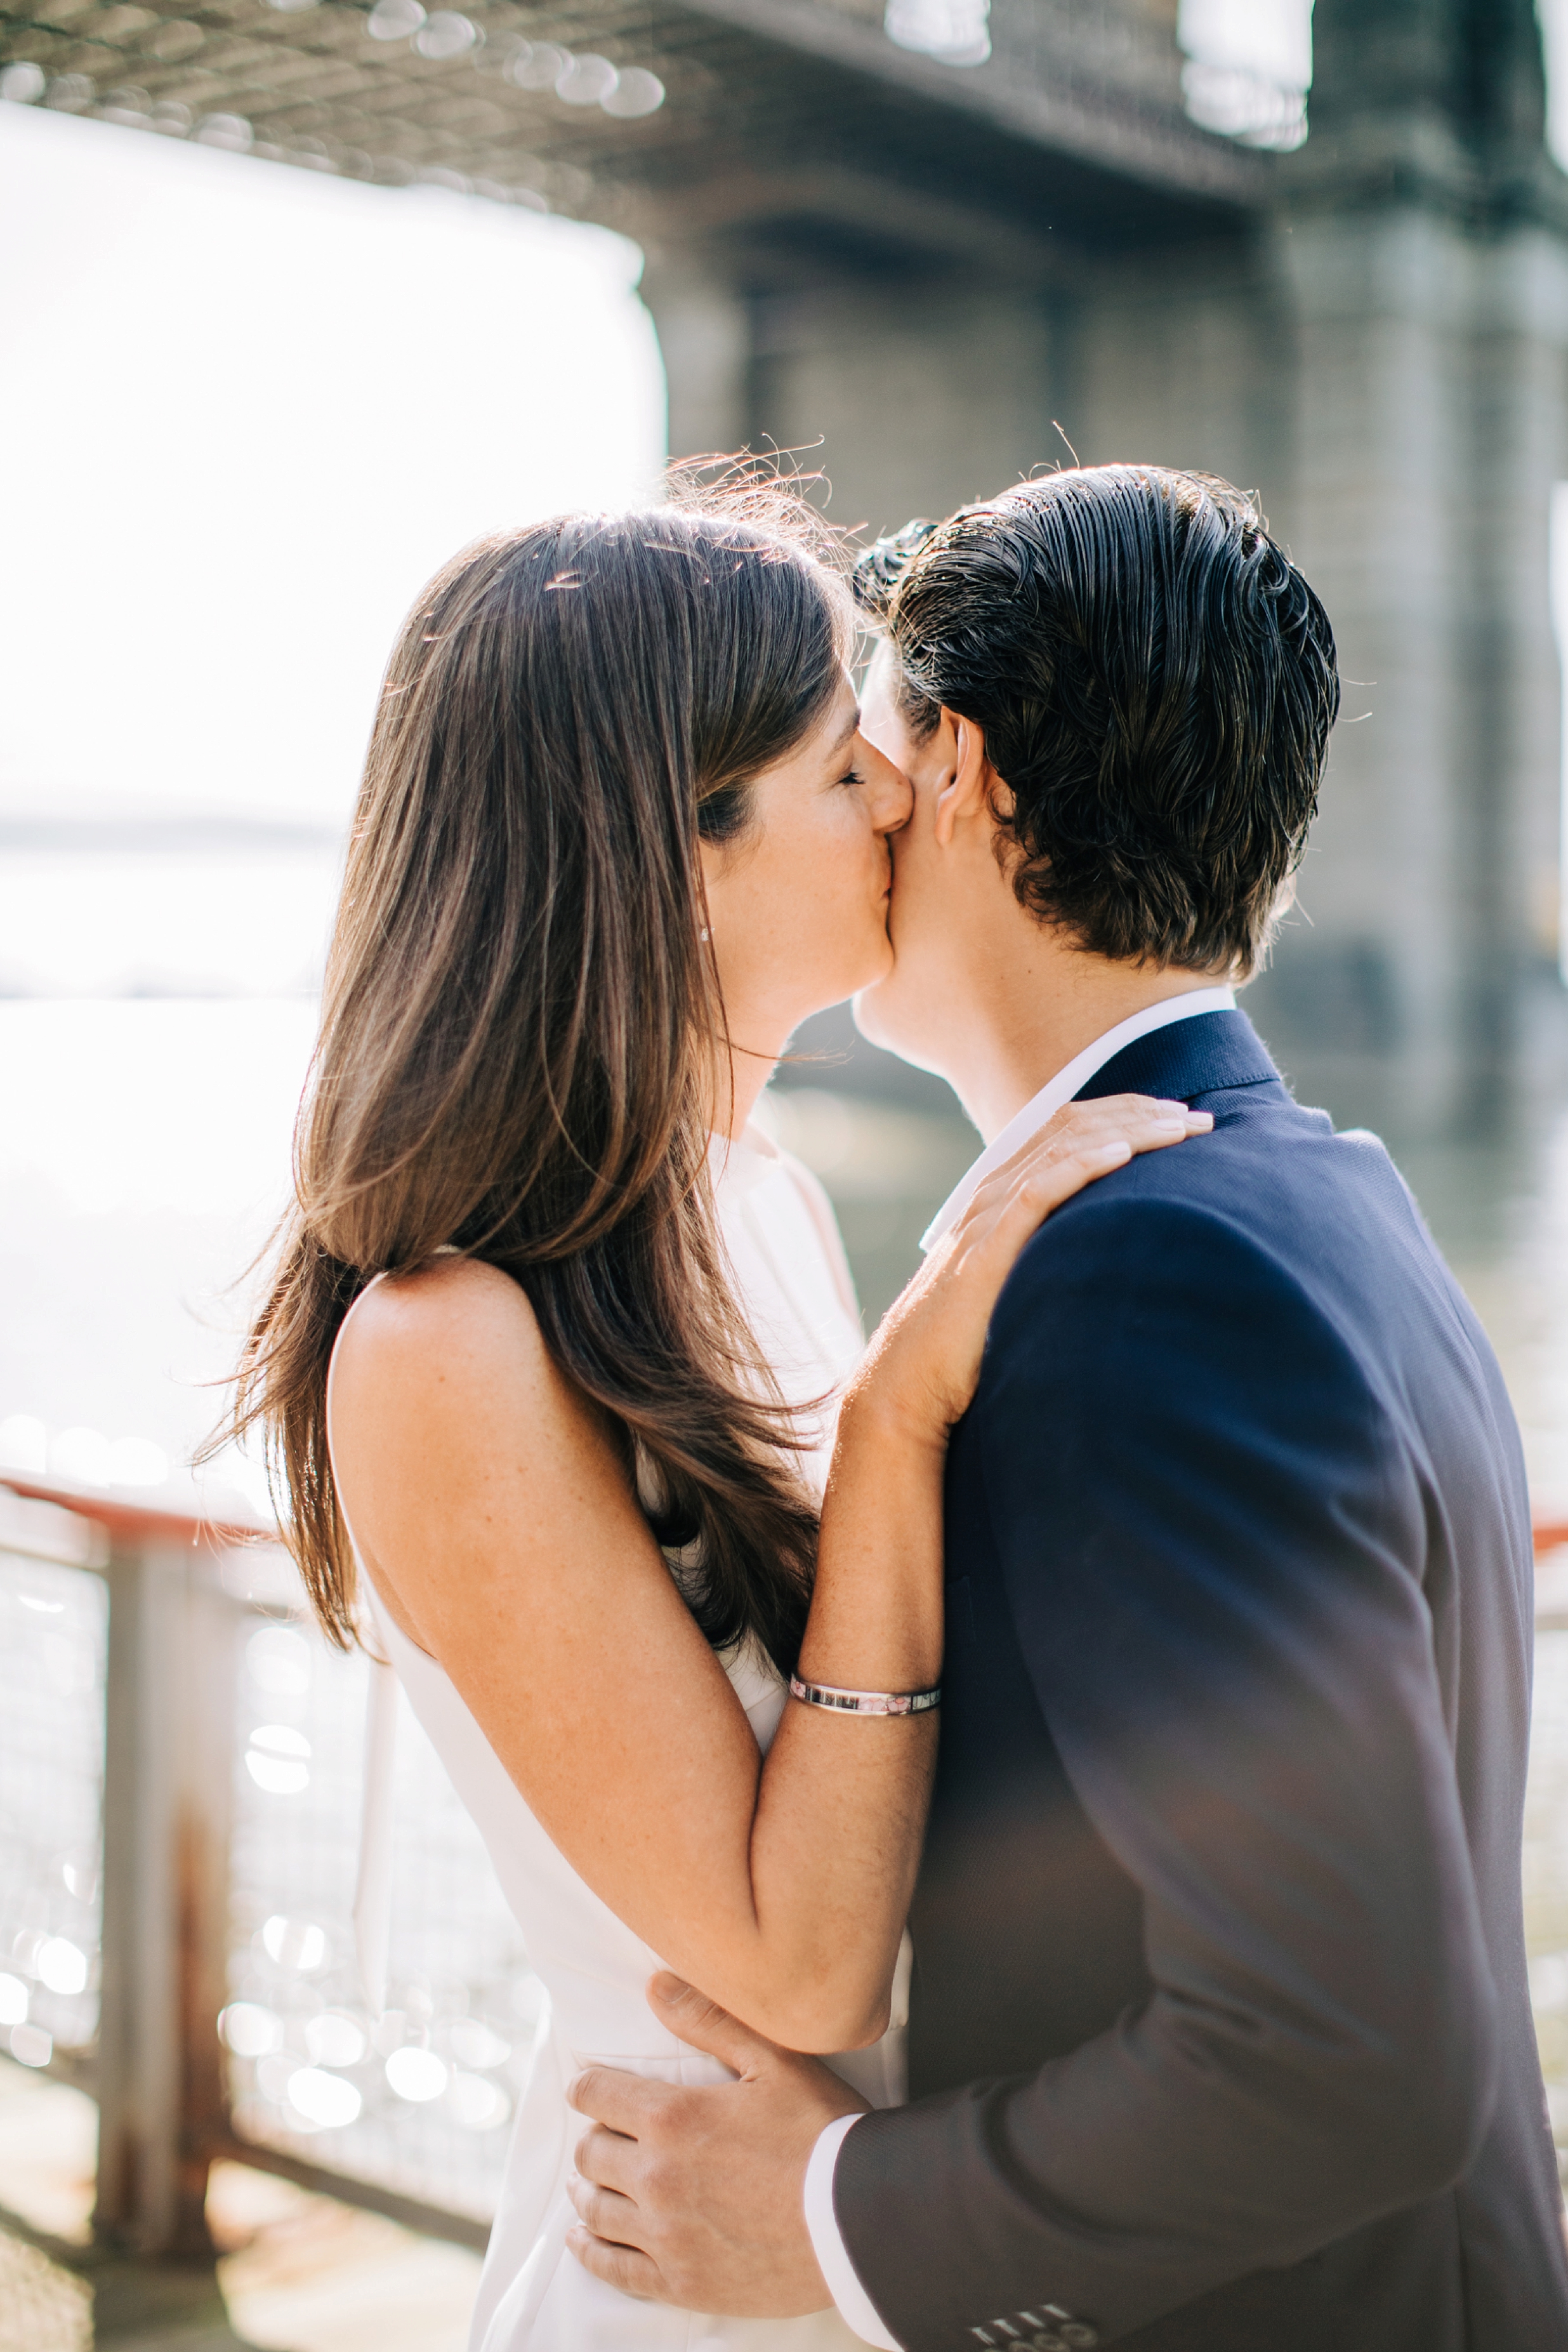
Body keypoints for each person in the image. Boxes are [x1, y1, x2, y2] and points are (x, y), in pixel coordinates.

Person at [566, 467, 1568, 2351]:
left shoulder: (1142, 1276)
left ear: (966, 768)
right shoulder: (1330, 1195)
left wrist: (834, 2216)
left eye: (863, 740)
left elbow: (1350, 2051)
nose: (850, 802)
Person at [217, 481, 1207, 2352]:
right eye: (844, 763)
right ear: (679, 846)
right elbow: (796, 1957)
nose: (905, 791)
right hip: (696, 2286)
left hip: (856, 2245)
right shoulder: (447, 1346)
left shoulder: (765, 1207)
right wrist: (908, 1400)